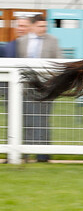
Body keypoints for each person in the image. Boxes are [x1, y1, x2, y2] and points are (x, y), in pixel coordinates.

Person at [18, 14, 60, 162]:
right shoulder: (21, 42)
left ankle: (43, 155)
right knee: (27, 120)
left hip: (45, 87)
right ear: (33, 26)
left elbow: (58, 63)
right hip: (25, 88)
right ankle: (26, 153)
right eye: (40, 26)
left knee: (42, 121)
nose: (43, 28)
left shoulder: (52, 41)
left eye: (44, 26)